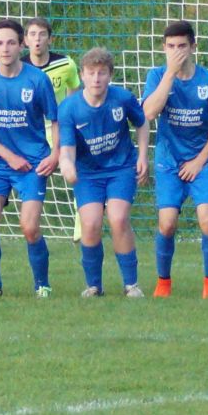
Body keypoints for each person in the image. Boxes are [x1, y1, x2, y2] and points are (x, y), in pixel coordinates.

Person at [141, 20, 208, 299]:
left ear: (193, 47)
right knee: (167, 224)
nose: (176, 51)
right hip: (169, 161)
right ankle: (163, 283)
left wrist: (200, 161)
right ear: (163, 48)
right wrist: (170, 74)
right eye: (171, 46)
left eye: (182, 46)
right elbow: (148, 113)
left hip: (202, 161)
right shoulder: (157, 76)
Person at [0, 18, 59, 298]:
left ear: (21, 45)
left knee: (29, 227)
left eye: (11, 42)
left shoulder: (37, 80)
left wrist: (55, 154)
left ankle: (42, 285)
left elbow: (55, 120)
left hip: (32, 164)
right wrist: (8, 155)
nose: (5, 48)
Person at [58, 47, 150, 298]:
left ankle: (131, 284)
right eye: (91, 73)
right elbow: (67, 149)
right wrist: (67, 164)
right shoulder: (69, 108)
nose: (96, 78)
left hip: (121, 168)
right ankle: (94, 286)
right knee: (90, 223)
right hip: (88, 173)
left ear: (110, 75)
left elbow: (142, 123)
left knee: (118, 219)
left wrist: (143, 156)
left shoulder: (122, 99)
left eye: (102, 73)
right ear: (82, 75)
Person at [23, 16, 84, 242]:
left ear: (50, 39)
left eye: (42, 35)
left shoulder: (66, 64)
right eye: (32, 35)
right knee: (1, 173)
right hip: (29, 131)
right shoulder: (19, 67)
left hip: (59, 128)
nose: (37, 39)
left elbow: (74, 96)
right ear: (25, 40)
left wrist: (70, 126)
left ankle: (82, 230)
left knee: (76, 171)